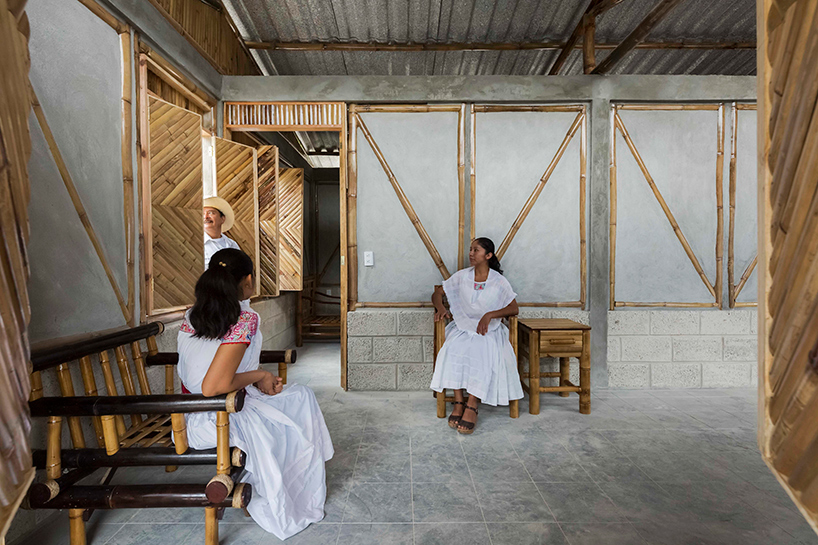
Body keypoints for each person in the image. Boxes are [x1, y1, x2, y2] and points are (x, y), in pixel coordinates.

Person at [176, 248, 334, 539]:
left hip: (188, 413)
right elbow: (212, 386)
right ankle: (298, 477)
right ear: (247, 280)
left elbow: (206, 374)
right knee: (297, 404)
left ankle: (296, 467)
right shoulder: (243, 318)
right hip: (220, 415)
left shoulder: (192, 314)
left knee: (298, 397)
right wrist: (261, 375)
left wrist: (257, 380)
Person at [429, 237, 523, 434]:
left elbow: (513, 308)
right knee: (454, 348)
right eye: (470, 250)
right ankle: (458, 402)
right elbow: (438, 293)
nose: (471, 254)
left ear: (488, 256)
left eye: (476, 250)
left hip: (489, 331)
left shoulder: (498, 281)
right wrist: (440, 308)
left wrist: (490, 315)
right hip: (463, 327)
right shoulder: (462, 276)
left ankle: (472, 404)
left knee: (481, 349)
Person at [203, 196, 240, 269]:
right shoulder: (197, 243)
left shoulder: (232, 245)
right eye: (203, 214)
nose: (206, 217)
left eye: (211, 213)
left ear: (222, 219)